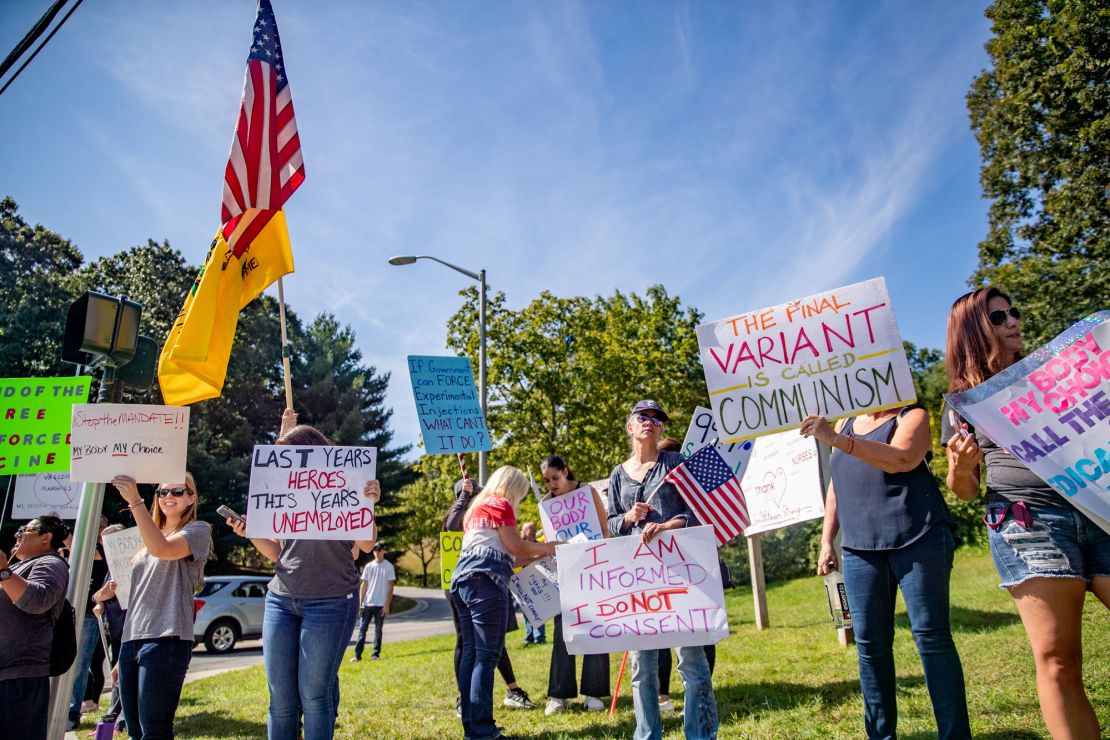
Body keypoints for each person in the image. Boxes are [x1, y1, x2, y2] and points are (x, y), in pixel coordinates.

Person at [943, 287, 1110, 739]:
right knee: (1058, 659)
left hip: (1098, 511)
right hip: (1030, 525)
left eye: (1013, 312)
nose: (1014, 321)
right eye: (1000, 317)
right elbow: (964, 491)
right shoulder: (962, 403)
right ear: (977, 331)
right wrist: (960, 467)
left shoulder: (1054, 374)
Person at [802, 405, 971, 740]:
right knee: (869, 644)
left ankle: (954, 735)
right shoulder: (846, 421)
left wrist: (837, 439)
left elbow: (901, 459)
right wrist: (826, 541)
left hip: (919, 539)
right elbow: (837, 485)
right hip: (860, 550)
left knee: (931, 638)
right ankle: (880, 735)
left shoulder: (913, 416)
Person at [228, 412, 380, 740]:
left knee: (314, 696)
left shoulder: (348, 483)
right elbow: (275, 552)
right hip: (281, 600)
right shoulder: (284, 492)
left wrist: (369, 504)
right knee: (280, 700)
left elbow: (367, 543)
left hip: (332, 602)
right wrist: (251, 530)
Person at [606, 400, 719, 740]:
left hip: (681, 576)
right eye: (643, 417)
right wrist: (628, 518)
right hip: (640, 583)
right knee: (643, 669)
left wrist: (668, 525)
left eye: (657, 419)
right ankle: (647, 735)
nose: (650, 423)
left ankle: (700, 734)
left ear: (662, 429)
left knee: (693, 664)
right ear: (630, 427)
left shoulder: (675, 463)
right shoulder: (617, 474)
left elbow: (696, 512)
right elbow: (611, 526)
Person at [451, 466, 559, 740]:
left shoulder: (476, 508)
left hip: (463, 580)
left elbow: (511, 556)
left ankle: (472, 727)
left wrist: (539, 556)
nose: (519, 501)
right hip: (486, 581)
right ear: (512, 488)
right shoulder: (500, 503)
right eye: (520, 495)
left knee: (472, 655)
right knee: (486, 657)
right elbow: (517, 547)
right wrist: (550, 547)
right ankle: (484, 730)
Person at [109, 471, 211, 740]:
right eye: (163, 492)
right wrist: (123, 651)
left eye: (178, 492)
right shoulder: (146, 537)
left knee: (154, 730)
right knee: (135, 731)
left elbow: (163, 549)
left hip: (167, 638)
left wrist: (134, 501)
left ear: (191, 498)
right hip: (133, 641)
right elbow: (137, 597)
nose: (169, 496)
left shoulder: (198, 530)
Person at [444, 477, 537, 716]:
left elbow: (512, 552)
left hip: (480, 578)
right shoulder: (469, 512)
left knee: (486, 647)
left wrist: (538, 555)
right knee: (475, 648)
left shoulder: (485, 511)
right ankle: (472, 712)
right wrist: (464, 496)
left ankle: (484, 712)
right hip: (475, 582)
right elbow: (452, 524)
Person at [538, 454, 610, 715]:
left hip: (594, 568)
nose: (552, 485)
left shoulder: (588, 492)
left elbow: (603, 530)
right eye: (546, 481)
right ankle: (560, 694)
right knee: (561, 632)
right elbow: (549, 542)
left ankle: (594, 692)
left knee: (596, 628)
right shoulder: (546, 504)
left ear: (565, 471)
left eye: (555, 478)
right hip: (565, 573)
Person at [0, 515, 70, 740]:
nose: (16, 535)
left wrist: (3, 572)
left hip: (19, 677)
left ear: (46, 537)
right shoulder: (18, 566)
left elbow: (37, 600)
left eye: (24, 530)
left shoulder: (51, 563)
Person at [68, 515, 110, 729]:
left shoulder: (102, 550)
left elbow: (82, 550)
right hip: (70, 613)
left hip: (88, 615)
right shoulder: (78, 549)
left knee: (80, 666)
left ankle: (72, 712)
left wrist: (66, 535)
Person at [92, 524, 129, 734]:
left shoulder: (133, 565)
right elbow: (99, 595)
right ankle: (112, 718)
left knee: (123, 674)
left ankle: (121, 720)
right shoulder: (111, 568)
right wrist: (100, 600)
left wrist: (102, 596)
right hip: (114, 630)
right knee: (117, 675)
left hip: (131, 630)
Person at [352, 543, 395, 662]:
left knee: (378, 630)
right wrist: (360, 603)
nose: (377, 552)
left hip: (381, 604)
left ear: (383, 551)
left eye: (379, 550)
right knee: (362, 629)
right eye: (375, 550)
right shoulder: (369, 566)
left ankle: (375, 653)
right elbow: (363, 586)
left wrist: (387, 604)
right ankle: (357, 655)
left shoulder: (388, 567)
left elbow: (391, 587)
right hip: (368, 603)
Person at [518, 522, 546, 648]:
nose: (522, 532)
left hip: (537, 583)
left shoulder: (538, 545)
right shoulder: (519, 545)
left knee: (538, 611)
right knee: (526, 610)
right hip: (522, 582)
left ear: (529, 532)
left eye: (523, 530)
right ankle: (529, 637)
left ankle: (539, 637)